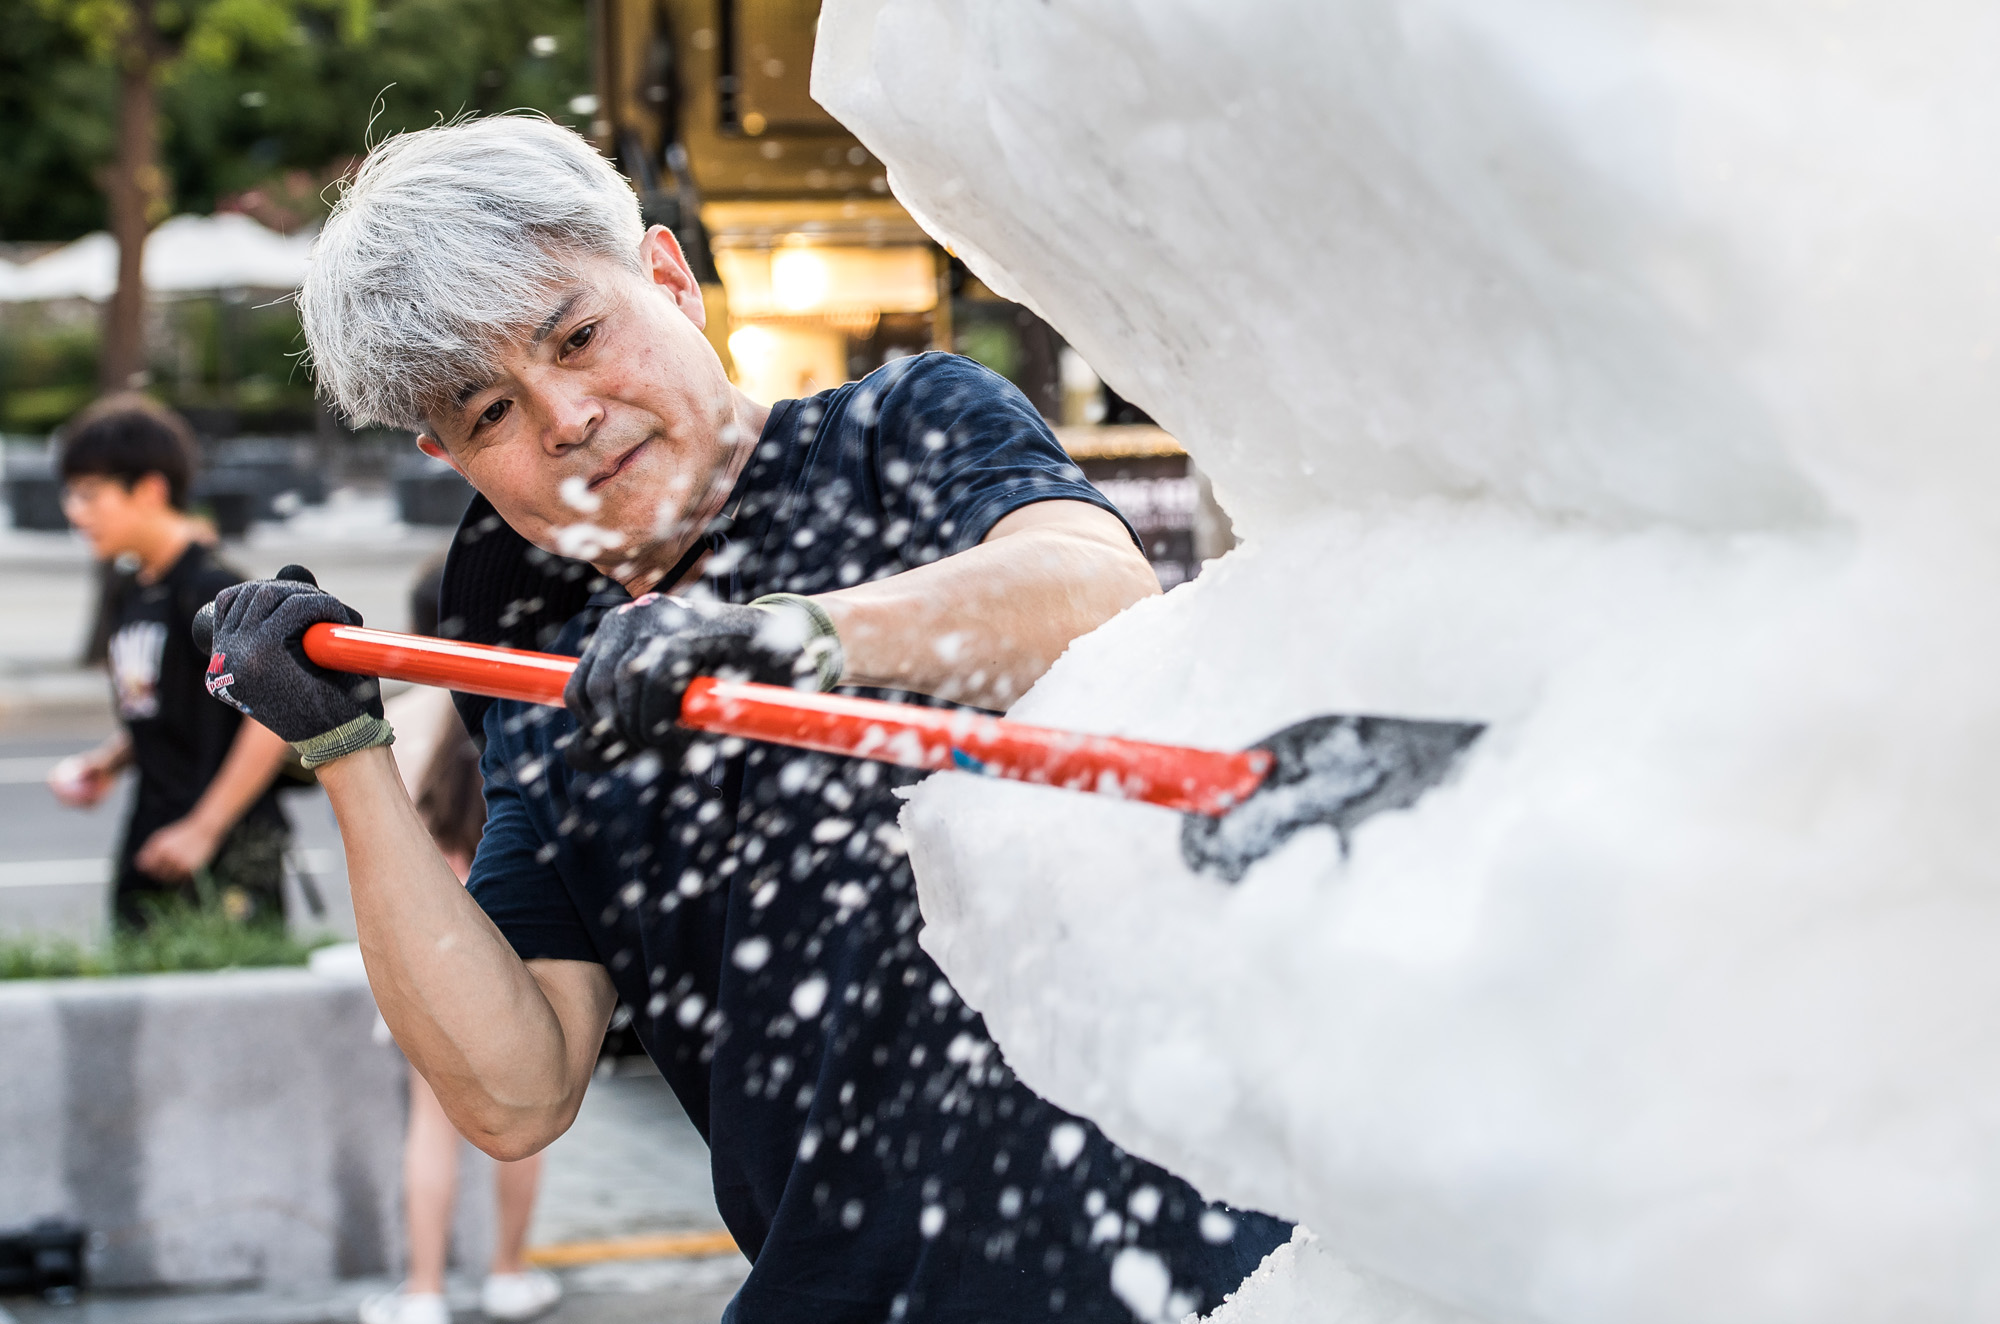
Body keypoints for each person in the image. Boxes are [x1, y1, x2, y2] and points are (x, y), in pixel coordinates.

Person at [203, 116, 1289, 1321]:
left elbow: (1096, 589)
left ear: (669, 276)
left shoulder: (897, 428)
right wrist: (346, 750)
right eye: (487, 410)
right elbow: (517, 1089)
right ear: (447, 455)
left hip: (1172, 1276)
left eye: (577, 335)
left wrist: (791, 635)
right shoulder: (527, 621)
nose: (563, 416)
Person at [362, 565, 562, 1324]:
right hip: (516, 939)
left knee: (431, 1125)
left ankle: (423, 1292)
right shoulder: (522, 708)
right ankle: (509, 1274)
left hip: (426, 949)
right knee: (532, 1118)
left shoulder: (400, 717)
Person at [48, 396, 292, 929]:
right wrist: (110, 762)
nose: (75, 511)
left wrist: (204, 829)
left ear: (151, 489)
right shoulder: (130, 587)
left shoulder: (211, 590)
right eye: (71, 494)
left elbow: (270, 719)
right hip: (152, 832)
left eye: (91, 494)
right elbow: (173, 701)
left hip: (223, 848)